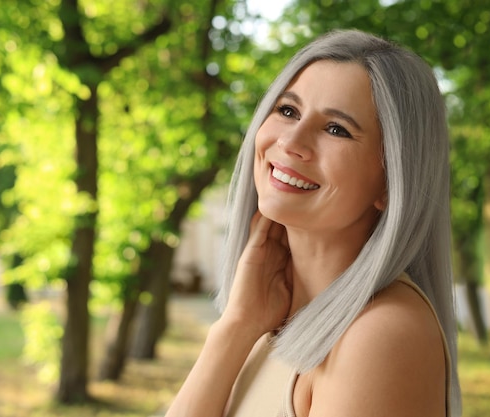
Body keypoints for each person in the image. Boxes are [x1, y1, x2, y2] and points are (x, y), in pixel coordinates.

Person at [165, 29, 462, 417]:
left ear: (393, 182)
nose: (291, 142)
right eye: (287, 110)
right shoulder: (268, 322)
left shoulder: (380, 334)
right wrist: (235, 327)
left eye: (336, 129)